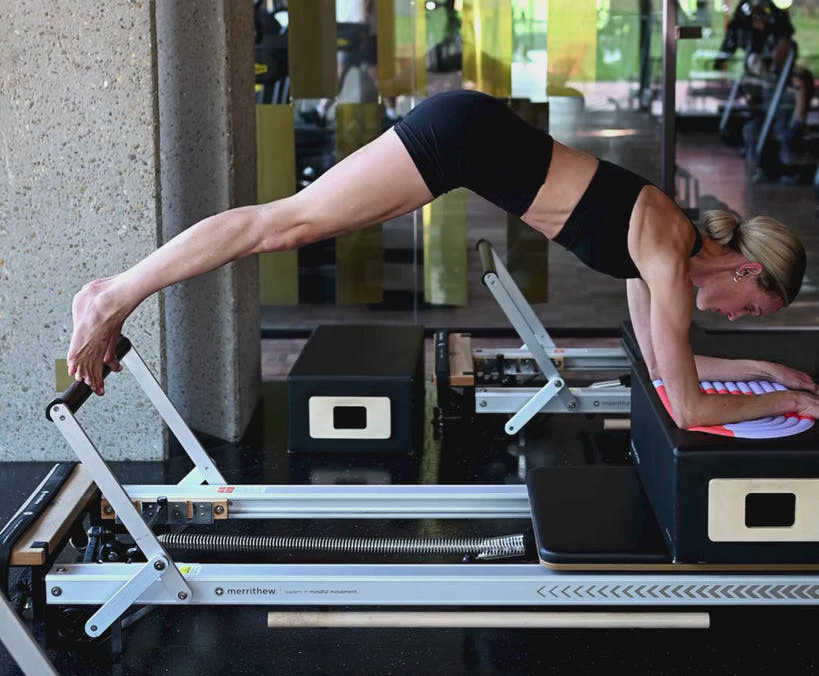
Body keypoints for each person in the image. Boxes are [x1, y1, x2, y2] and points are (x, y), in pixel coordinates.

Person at [67, 89, 819, 429]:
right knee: (284, 226)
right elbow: (685, 409)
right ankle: (113, 294)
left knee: (290, 226)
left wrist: (764, 374)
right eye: (748, 311)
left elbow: (663, 372)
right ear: (746, 270)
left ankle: (117, 291)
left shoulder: (665, 257)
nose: (731, 319)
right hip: (458, 138)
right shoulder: (664, 246)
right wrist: (783, 406)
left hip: (466, 145)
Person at [715, 0, 815, 165]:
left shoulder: (780, 41)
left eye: (761, 16)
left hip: (778, 88)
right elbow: (749, 64)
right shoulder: (752, 43)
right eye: (755, 17)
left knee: (801, 80)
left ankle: (796, 128)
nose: (758, 21)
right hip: (764, 87)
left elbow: (784, 59)